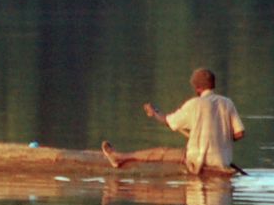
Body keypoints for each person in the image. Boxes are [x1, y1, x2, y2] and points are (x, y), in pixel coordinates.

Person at [101, 68, 246, 174]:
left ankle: (119, 158)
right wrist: (221, 138)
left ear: (197, 88)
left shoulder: (194, 104)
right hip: (223, 161)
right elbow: (239, 134)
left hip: (197, 160)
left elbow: (169, 121)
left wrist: (154, 113)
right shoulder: (227, 103)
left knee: (159, 152)